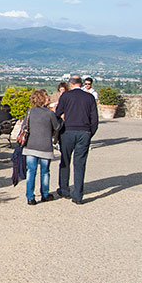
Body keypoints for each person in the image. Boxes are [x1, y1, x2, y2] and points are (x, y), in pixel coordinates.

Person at [55, 75, 99, 205]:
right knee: (80, 164)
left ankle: (64, 189)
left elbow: (57, 114)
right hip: (84, 132)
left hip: (68, 131)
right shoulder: (89, 97)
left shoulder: (66, 96)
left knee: (65, 161)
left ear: (70, 84)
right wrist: (90, 133)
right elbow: (95, 119)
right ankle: (78, 195)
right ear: (81, 84)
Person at [22, 90, 61, 205]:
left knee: (31, 172)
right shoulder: (50, 114)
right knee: (45, 172)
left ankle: (30, 197)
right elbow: (57, 127)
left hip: (30, 145)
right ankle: (45, 194)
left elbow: (25, 126)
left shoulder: (30, 111)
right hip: (45, 146)